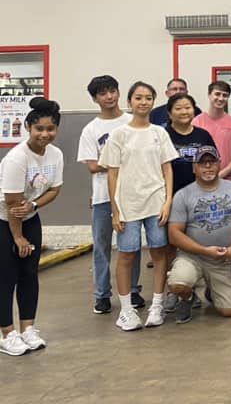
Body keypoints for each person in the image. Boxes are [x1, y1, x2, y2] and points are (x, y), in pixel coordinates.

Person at [101, 81, 178, 331]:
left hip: (156, 202)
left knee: (159, 252)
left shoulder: (159, 133)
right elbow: (112, 174)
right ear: (130, 101)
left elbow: (167, 169)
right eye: (138, 98)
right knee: (127, 254)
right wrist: (116, 209)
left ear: (154, 102)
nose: (143, 102)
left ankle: (157, 305)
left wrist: (167, 201)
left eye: (148, 98)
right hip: (128, 205)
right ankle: (126, 310)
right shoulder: (119, 134)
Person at [0, 97, 63, 356]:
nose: (45, 134)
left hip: (30, 217)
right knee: (6, 277)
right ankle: (7, 333)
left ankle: (28, 329)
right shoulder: (17, 158)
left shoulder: (56, 154)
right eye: (39, 129)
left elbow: (55, 189)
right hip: (5, 220)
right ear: (28, 127)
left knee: (29, 275)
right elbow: (12, 204)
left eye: (50, 129)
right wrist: (18, 238)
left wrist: (34, 205)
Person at [166, 146, 231, 323]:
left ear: (219, 164)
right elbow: (174, 234)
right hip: (192, 257)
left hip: (223, 258)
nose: (208, 166)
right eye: (202, 163)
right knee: (178, 284)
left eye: (212, 162)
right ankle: (187, 297)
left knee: (229, 311)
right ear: (194, 168)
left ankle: (212, 290)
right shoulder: (182, 195)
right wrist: (205, 251)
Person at [77, 74, 142, 316]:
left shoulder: (132, 122)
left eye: (112, 91)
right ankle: (102, 295)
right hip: (103, 198)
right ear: (95, 99)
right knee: (101, 247)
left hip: (131, 196)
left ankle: (133, 291)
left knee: (131, 246)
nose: (109, 97)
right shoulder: (90, 129)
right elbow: (93, 166)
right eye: (103, 93)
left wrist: (113, 162)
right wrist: (121, 162)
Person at [162, 92, 216, 310]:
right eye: (178, 108)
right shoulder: (162, 135)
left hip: (199, 200)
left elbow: (213, 165)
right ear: (169, 113)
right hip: (169, 199)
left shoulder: (203, 135)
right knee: (170, 246)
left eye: (188, 107)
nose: (184, 112)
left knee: (198, 243)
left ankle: (195, 289)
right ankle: (172, 290)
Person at [193, 81, 231, 181]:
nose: (221, 98)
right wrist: (205, 176)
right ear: (209, 95)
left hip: (226, 180)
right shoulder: (196, 122)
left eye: (225, 95)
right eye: (217, 94)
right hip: (201, 181)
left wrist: (220, 175)